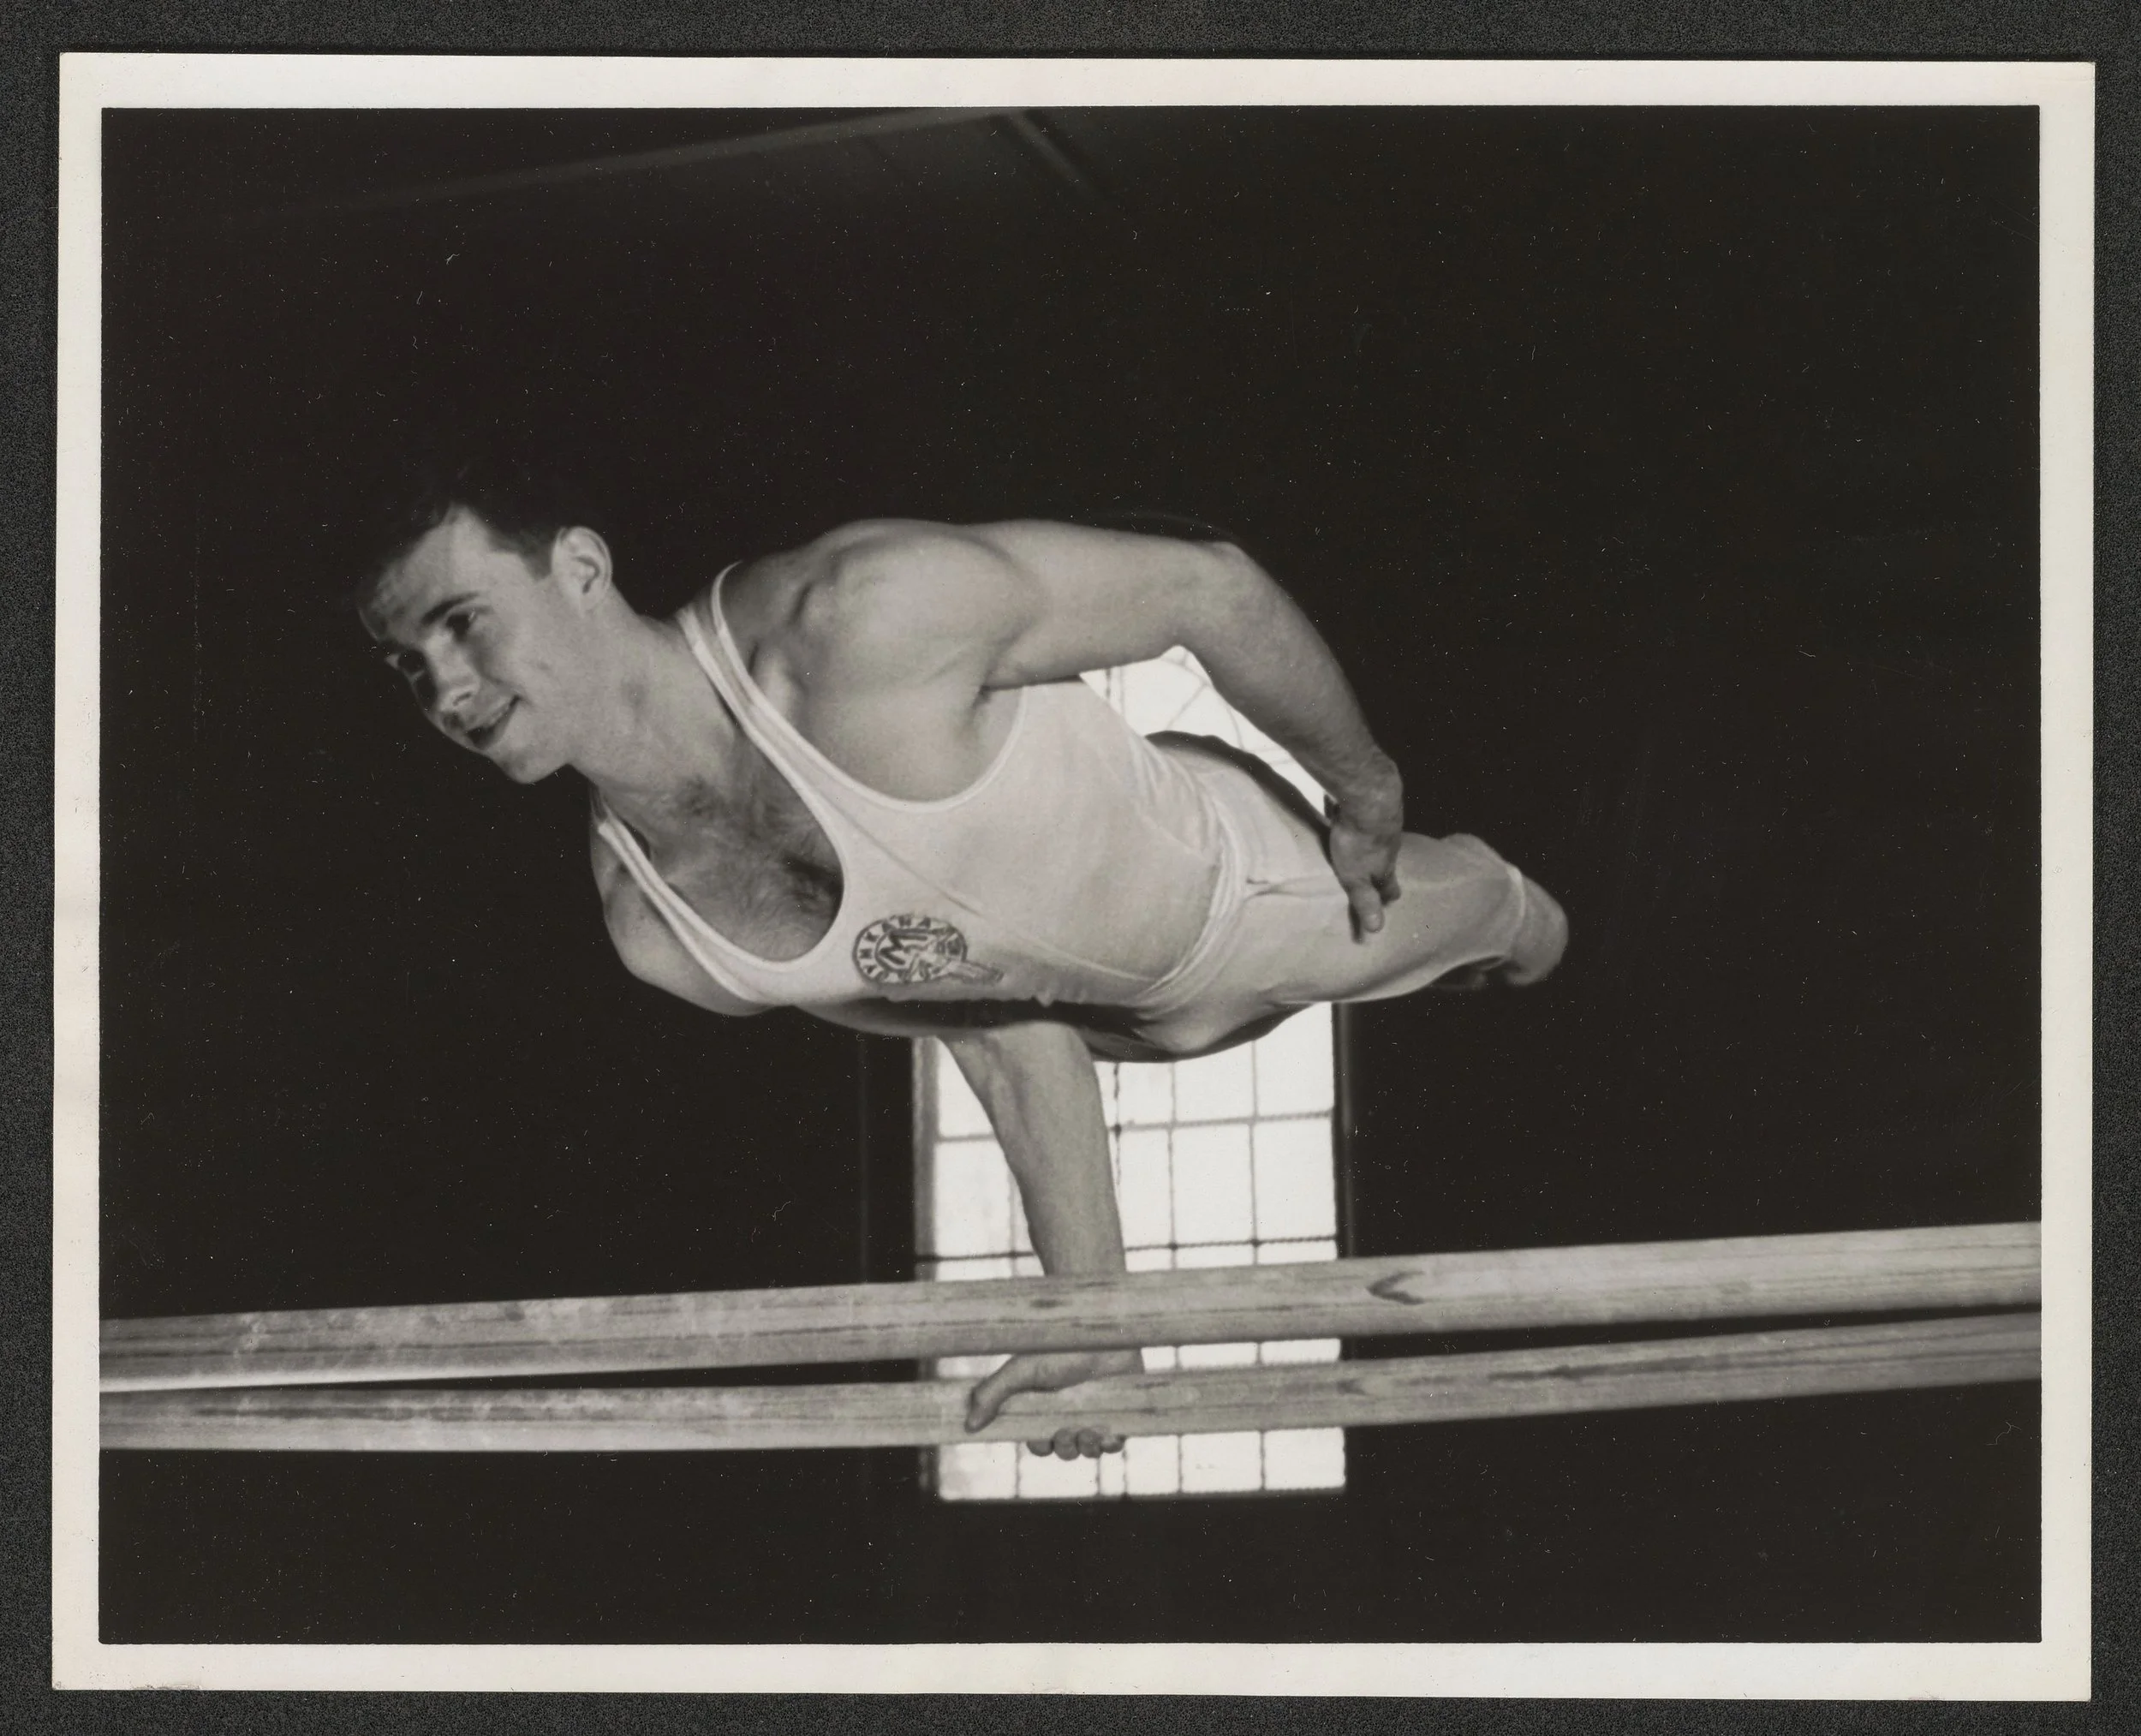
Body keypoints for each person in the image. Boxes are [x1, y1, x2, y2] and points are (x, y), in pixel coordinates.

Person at [355, 467, 1569, 1461]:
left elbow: (1211, 587)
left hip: (1253, 892)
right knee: (1099, 1012)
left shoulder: (856, 618)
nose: (449, 690)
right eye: (411, 666)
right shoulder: (657, 928)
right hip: (1112, 1019)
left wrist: (1361, 792)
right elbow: (988, 1021)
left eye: (464, 622)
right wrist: (1096, 1314)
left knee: (1519, 934)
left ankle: (1503, 900)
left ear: (579, 567)